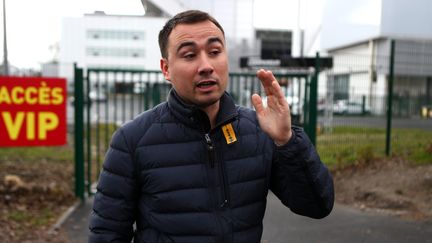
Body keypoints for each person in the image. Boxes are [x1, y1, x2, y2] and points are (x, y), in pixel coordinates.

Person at [89, 10, 334, 243]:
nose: (206, 65)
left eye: (215, 51)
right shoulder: (133, 140)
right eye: (189, 55)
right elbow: (107, 235)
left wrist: (287, 140)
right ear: (166, 69)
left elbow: (316, 205)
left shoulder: (259, 131)